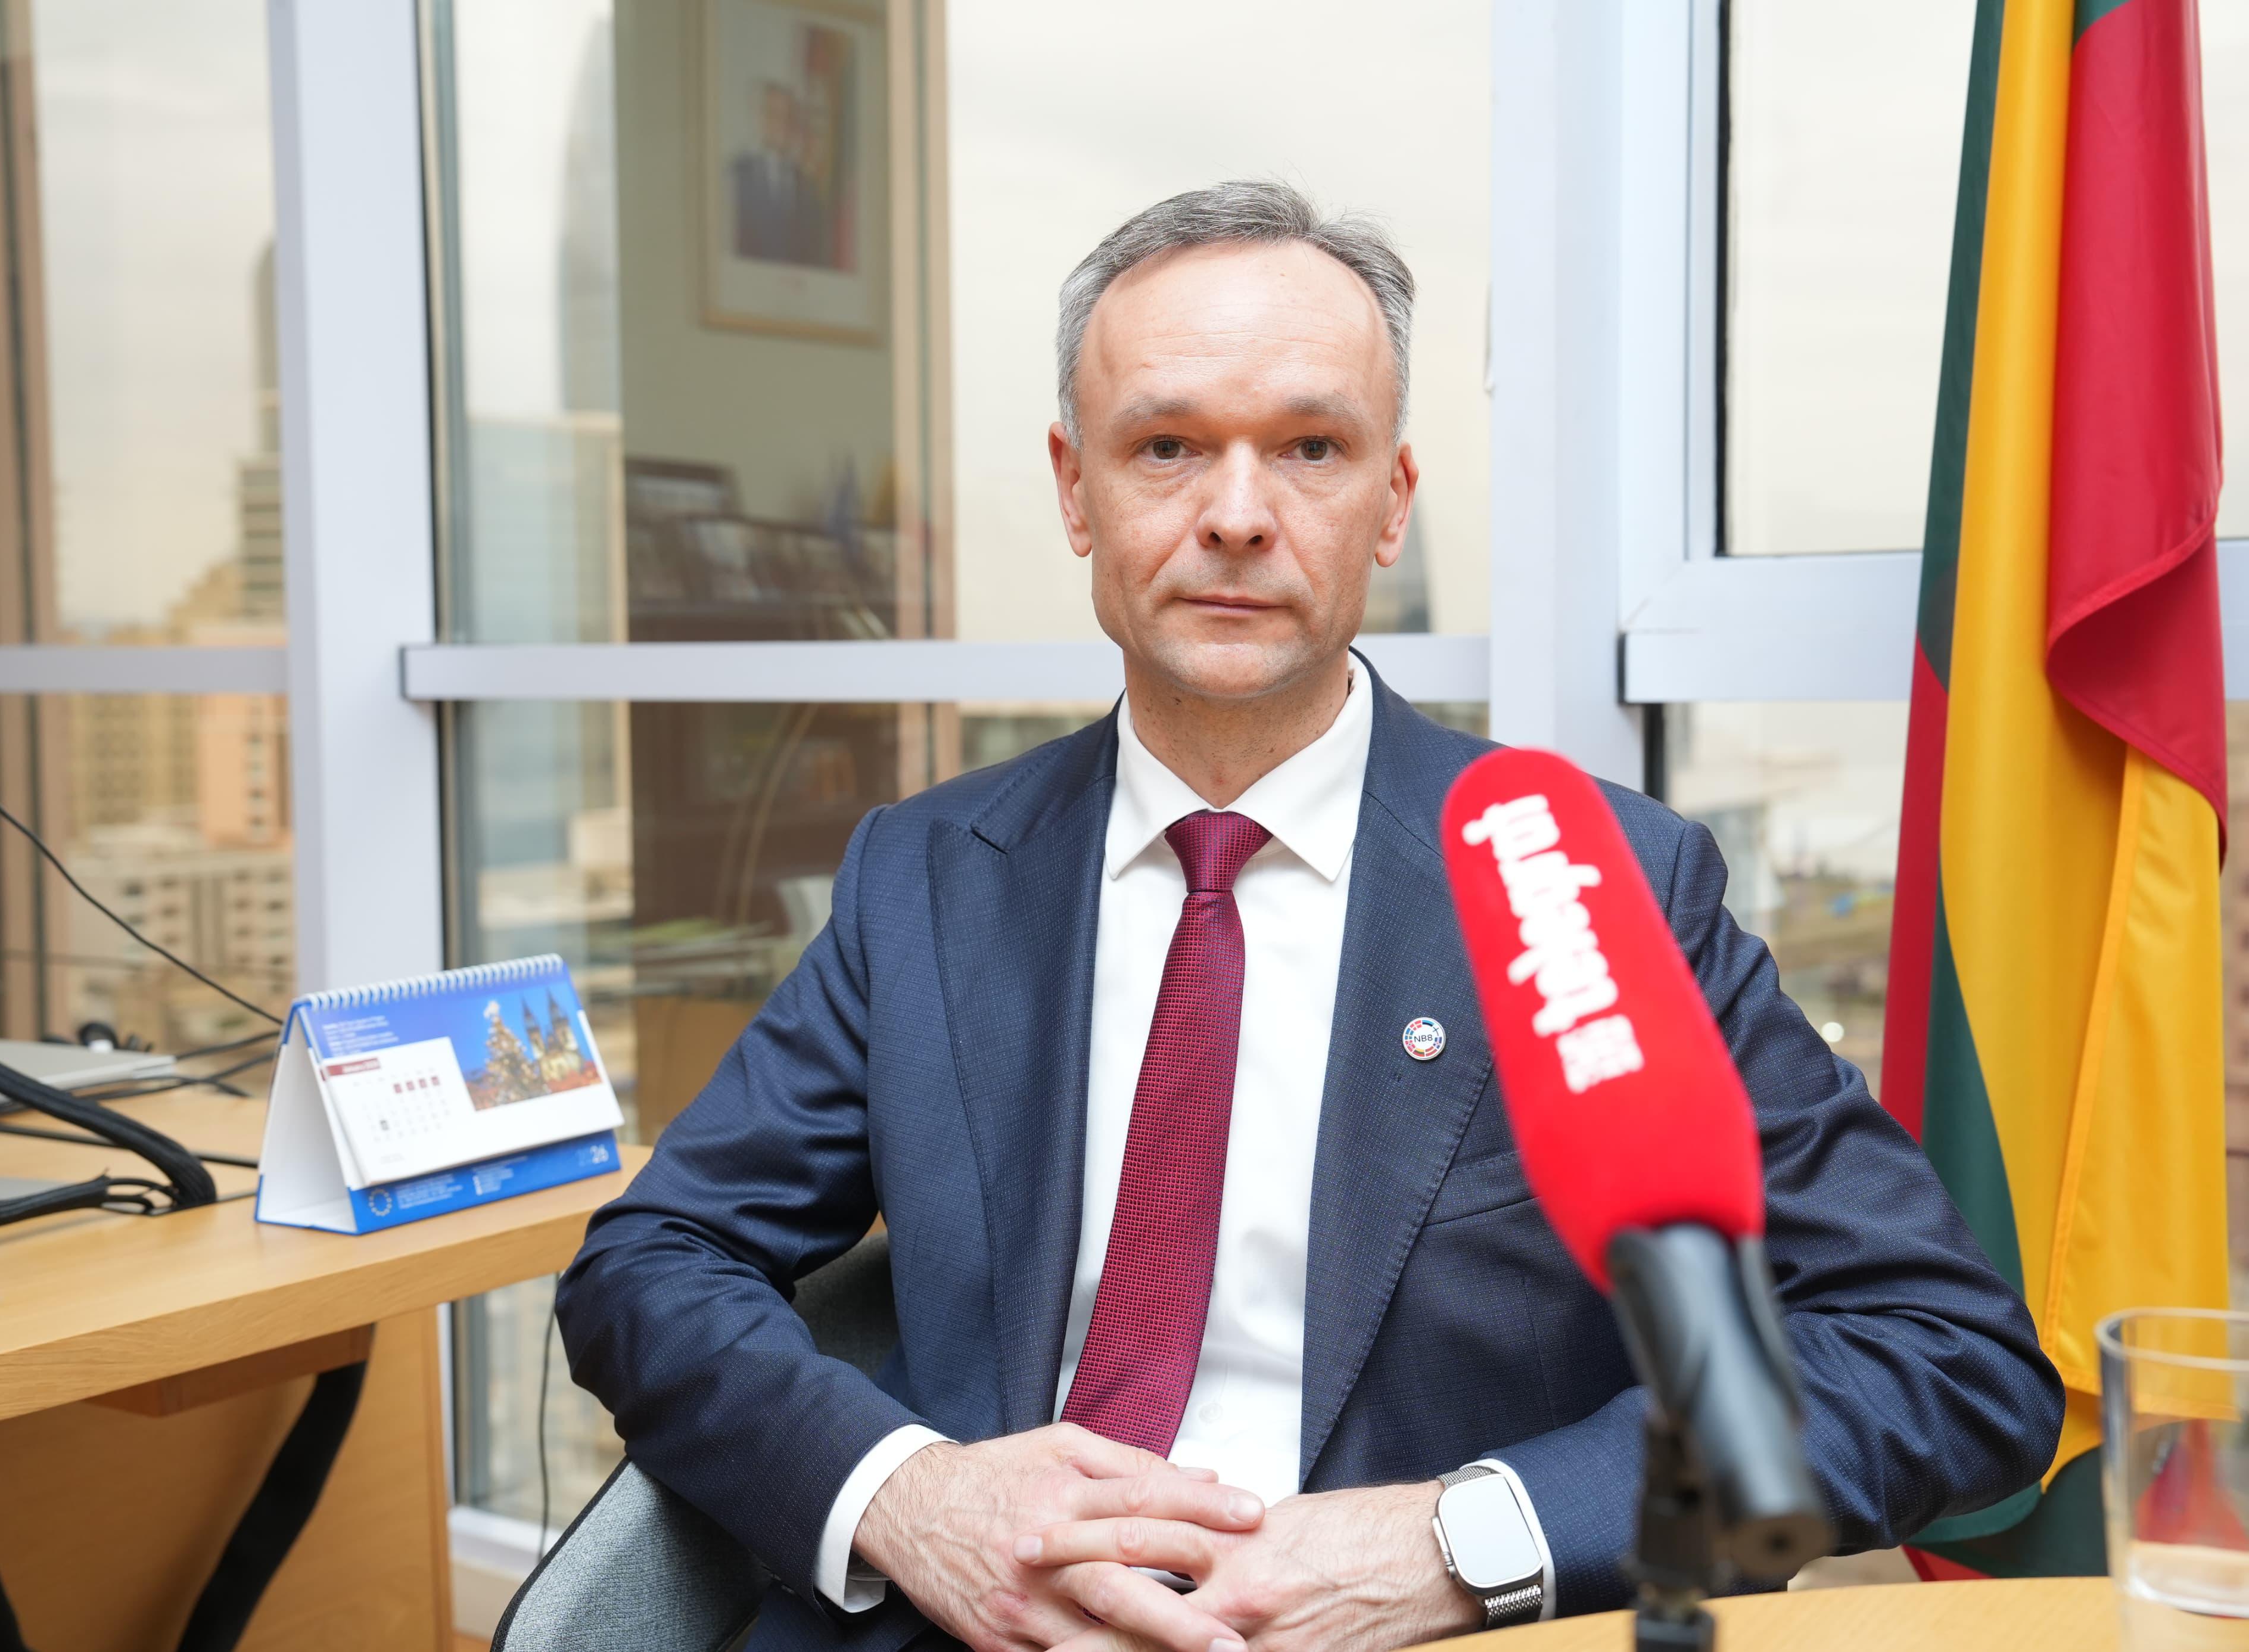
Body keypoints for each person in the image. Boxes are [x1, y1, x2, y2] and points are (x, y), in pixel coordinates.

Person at [556, 181, 2061, 1652]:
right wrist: (915, 1496)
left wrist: (1460, 1543)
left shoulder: (1594, 881)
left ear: (1391, 502)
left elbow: (1940, 1358)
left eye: (1310, 449)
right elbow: (653, 1261)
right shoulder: (928, 876)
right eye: (1165, 447)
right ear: (1075, 489)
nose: (1235, 517)